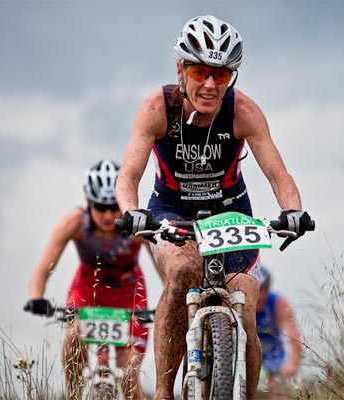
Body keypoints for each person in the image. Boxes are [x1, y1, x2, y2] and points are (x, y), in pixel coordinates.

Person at [115, 15, 313, 399]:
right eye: (200, 72)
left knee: (244, 306)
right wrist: (130, 211)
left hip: (231, 212)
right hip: (171, 210)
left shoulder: (244, 113)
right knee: (184, 270)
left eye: (220, 76)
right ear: (180, 69)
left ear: (231, 78)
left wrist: (293, 211)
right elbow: (129, 175)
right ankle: (163, 393)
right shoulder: (157, 108)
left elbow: (278, 173)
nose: (209, 85)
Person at [25, 159, 155, 400]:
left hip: (130, 293)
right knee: (74, 336)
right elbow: (44, 268)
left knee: (129, 377)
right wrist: (36, 297)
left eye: (113, 207)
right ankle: (74, 395)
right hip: (88, 290)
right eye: (99, 207)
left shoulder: (135, 227)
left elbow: (163, 269)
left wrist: (174, 298)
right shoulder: (74, 224)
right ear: (88, 203)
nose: (107, 215)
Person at [256, 266, 302, 398]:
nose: (259, 295)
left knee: (279, 393)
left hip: (273, 360)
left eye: (263, 290)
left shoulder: (277, 303)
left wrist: (293, 364)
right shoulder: (241, 302)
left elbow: (293, 337)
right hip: (247, 358)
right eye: (256, 290)